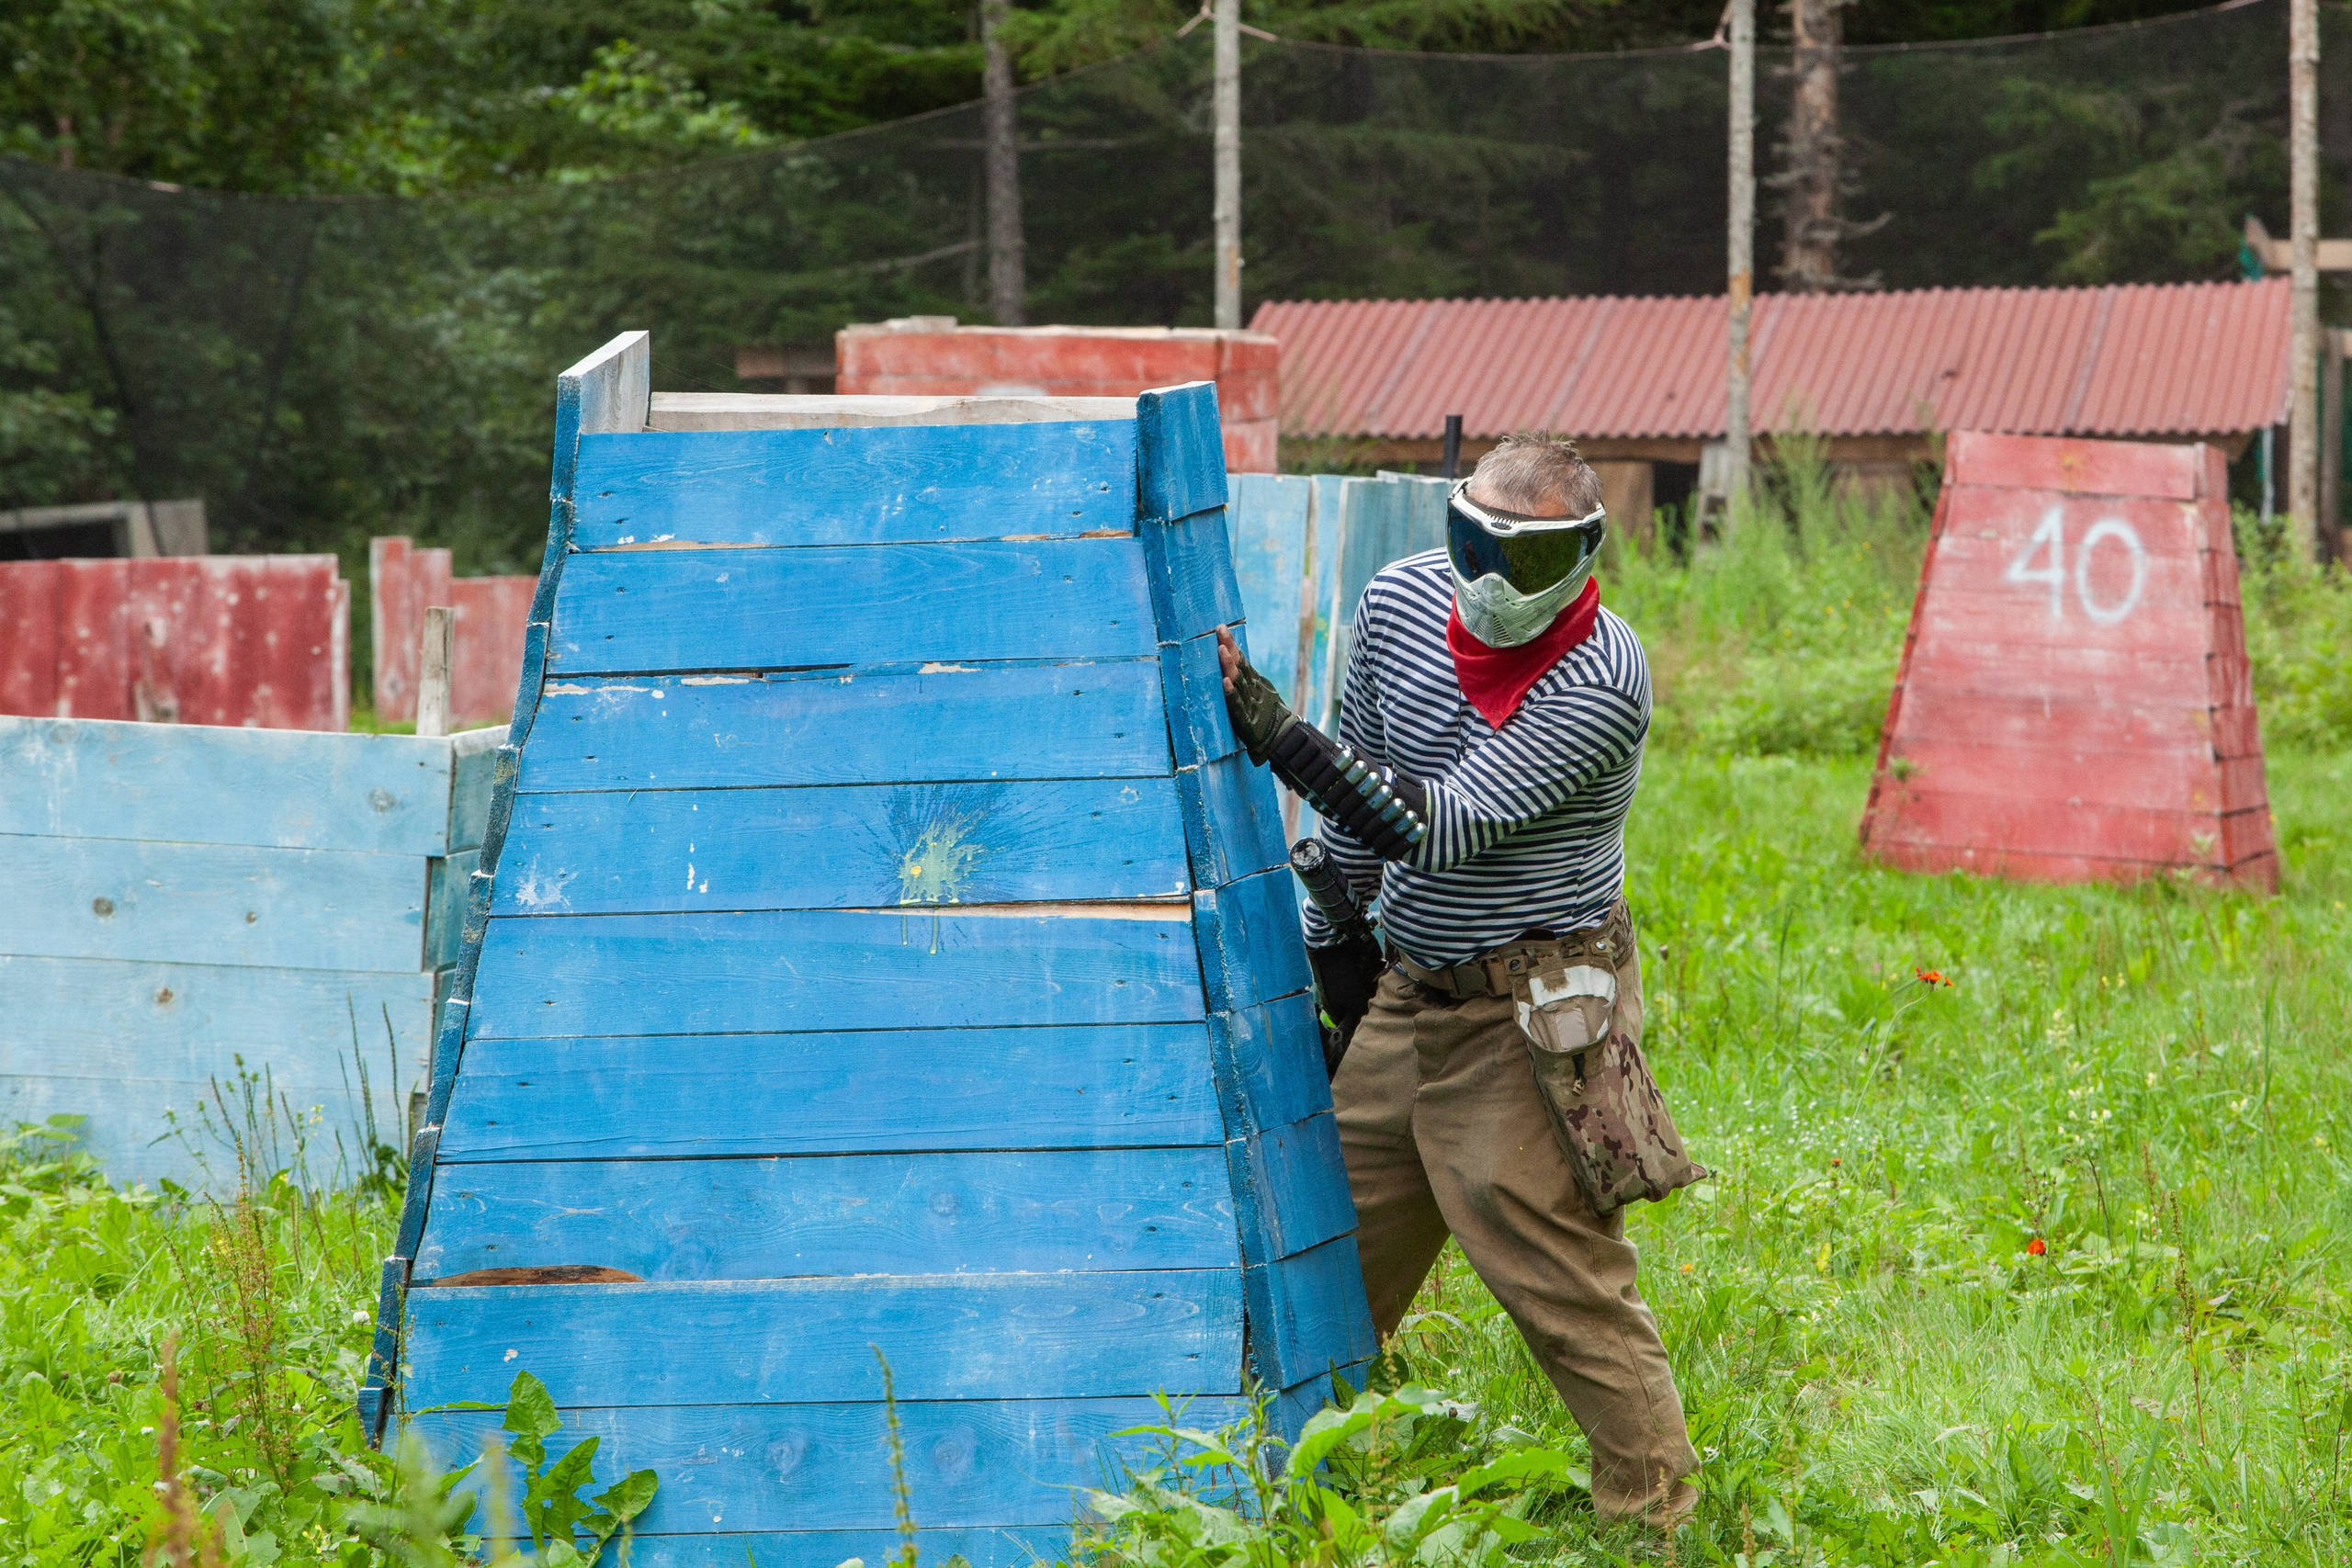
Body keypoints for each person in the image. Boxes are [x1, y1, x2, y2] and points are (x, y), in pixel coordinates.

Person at [1216, 434, 1702, 1530]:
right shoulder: (1395, 607)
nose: (1487, 580)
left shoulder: (1601, 676)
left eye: (1519, 561)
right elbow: (1362, 799)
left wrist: (1277, 739)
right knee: (1324, 1246)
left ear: (1581, 558)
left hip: (1534, 1007)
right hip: (1414, 983)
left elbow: (1432, 829)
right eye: (1470, 542)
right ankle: (1262, 1495)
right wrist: (1333, 941)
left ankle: (1656, 1521)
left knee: (1557, 1271)